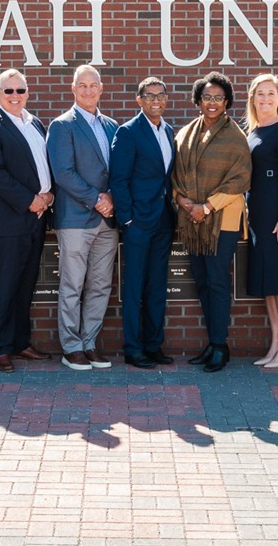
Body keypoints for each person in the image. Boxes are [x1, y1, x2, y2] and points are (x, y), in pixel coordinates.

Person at [0, 68, 55, 373]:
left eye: (20, 90)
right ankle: (0, 348)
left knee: (26, 284)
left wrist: (49, 197)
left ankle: (21, 342)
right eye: (8, 91)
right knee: (6, 284)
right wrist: (30, 199)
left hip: (37, 218)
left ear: (27, 93)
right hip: (9, 220)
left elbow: (48, 165)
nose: (15, 96)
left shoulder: (35, 123)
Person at [172, 72, 251, 373]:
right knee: (203, 282)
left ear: (227, 101)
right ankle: (213, 343)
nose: (213, 102)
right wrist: (184, 203)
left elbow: (240, 178)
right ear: (198, 100)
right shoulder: (184, 134)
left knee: (217, 282)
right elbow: (175, 175)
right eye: (207, 97)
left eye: (219, 97)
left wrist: (206, 206)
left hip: (223, 221)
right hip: (192, 221)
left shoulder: (235, 137)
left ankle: (220, 345)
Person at [46, 65, 120, 370]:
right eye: (82, 86)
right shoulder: (62, 126)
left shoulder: (113, 127)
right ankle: (71, 347)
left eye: (93, 85)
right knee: (73, 285)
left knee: (101, 285)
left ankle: (89, 342)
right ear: (73, 89)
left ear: (101, 89)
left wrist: (112, 196)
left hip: (108, 220)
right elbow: (62, 172)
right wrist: (96, 199)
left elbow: (120, 169)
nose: (88, 90)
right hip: (76, 218)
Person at [110, 77, 176, 369]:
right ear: (139, 100)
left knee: (157, 285)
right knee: (135, 286)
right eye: (150, 96)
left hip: (163, 219)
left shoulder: (168, 130)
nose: (156, 101)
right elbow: (119, 180)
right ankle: (133, 348)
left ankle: (153, 345)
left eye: (161, 95)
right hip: (138, 221)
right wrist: (127, 218)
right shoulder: (129, 132)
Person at [243, 73, 278, 368]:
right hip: (259, 217)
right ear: (253, 98)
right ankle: (276, 343)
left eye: (270, 93)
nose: (265, 99)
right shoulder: (254, 132)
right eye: (259, 94)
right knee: (268, 282)